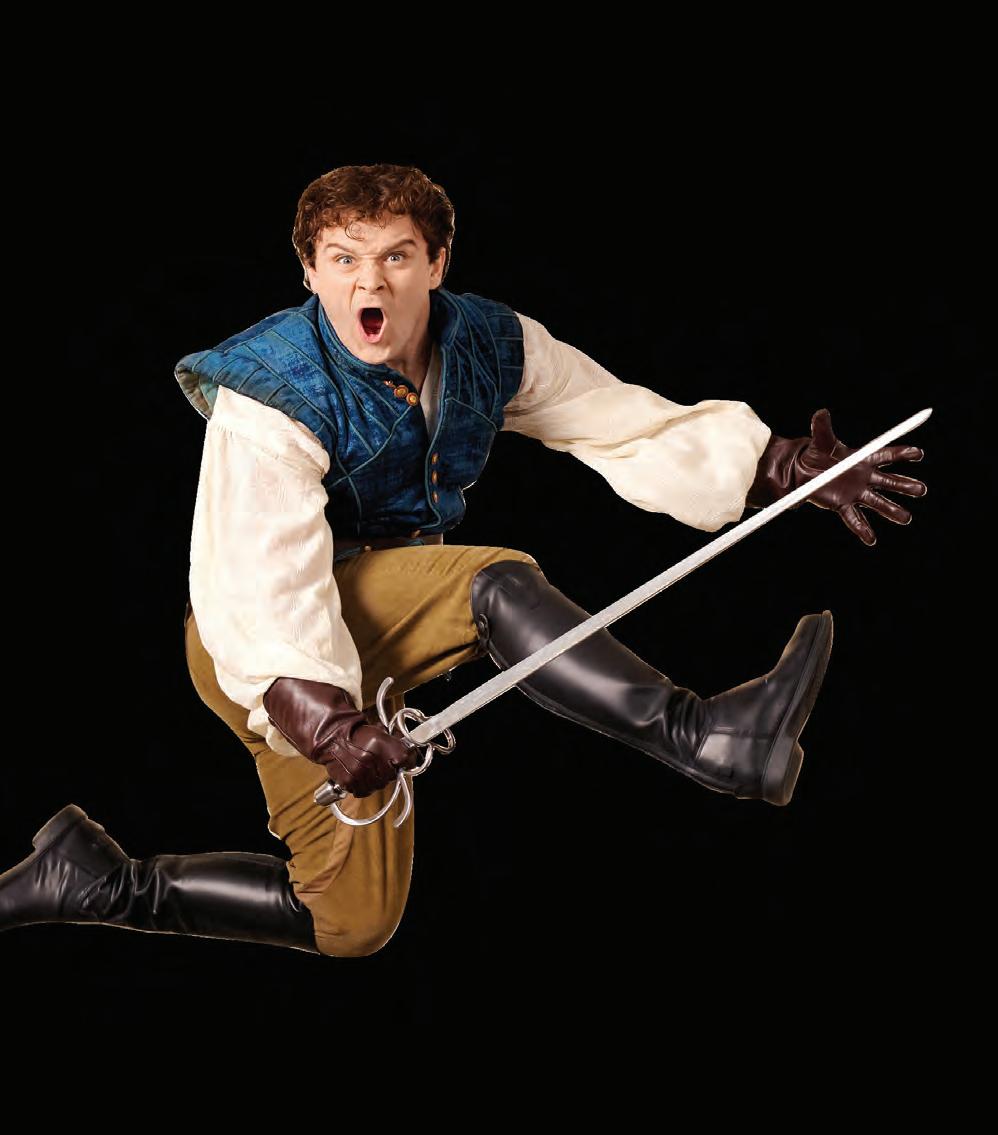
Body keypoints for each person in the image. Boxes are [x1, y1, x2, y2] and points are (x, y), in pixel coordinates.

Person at [0, 163, 928, 958]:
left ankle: (97, 881)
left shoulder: (488, 343)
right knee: (493, 586)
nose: (370, 281)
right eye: (343, 258)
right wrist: (329, 727)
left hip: (365, 645)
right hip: (268, 654)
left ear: (437, 263)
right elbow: (257, 574)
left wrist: (781, 467)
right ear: (311, 271)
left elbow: (615, 418)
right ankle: (700, 734)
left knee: (352, 921)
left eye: (396, 256)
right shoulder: (272, 388)